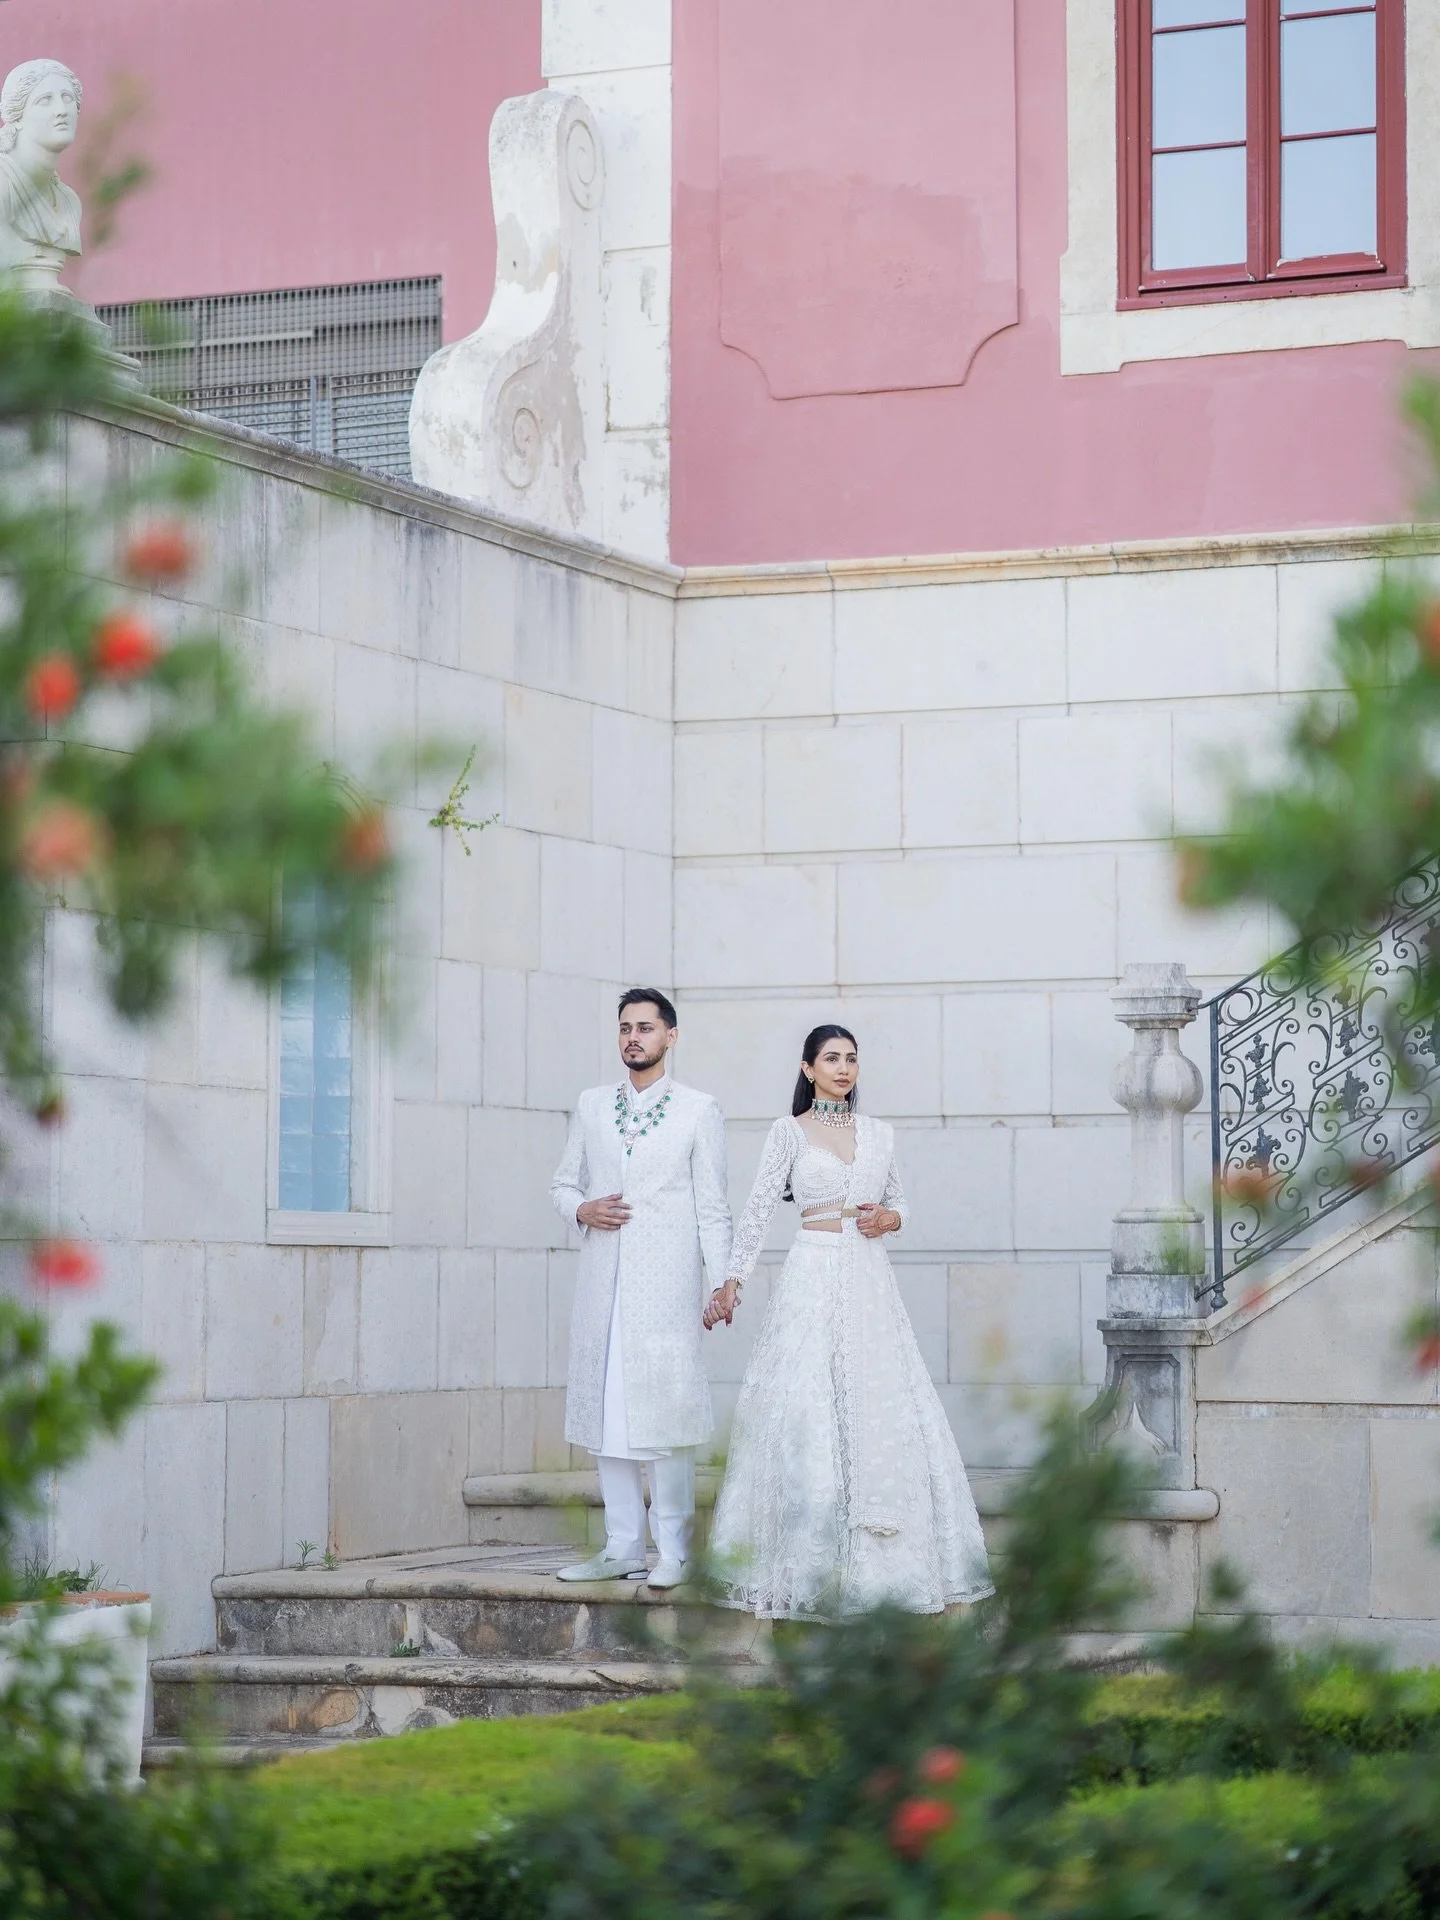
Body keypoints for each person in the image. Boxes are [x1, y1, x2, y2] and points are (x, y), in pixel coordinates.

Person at [704, 1024, 993, 1619]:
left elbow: (901, 1205)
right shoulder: (788, 1133)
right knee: (810, 1402)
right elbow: (758, 1210)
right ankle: (807, 1556)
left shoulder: (879, 1135)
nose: (842, 1067)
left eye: (851, 1059)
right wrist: (731, 1280)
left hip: (867, 1280)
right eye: (830, 1058)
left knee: (876, 1402)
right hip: (811, 1273)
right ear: (808, 1069)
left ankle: (885, 1556)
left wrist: (889, 1219)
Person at [549, 989, 731, 1590]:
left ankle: (674, 1551)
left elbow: (713, 1207)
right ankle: (622, 1546)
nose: (633, 1037)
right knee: (609, 1417)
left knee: (666, 1419)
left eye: (646, 1028)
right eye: (625, 1027)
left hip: (665, 1287)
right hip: (604, 1287)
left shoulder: (697, 1109)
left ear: (670, 1036)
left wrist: (723, 1280)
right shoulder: (593, 1105)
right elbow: (561, 1184)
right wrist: (583, 1209)